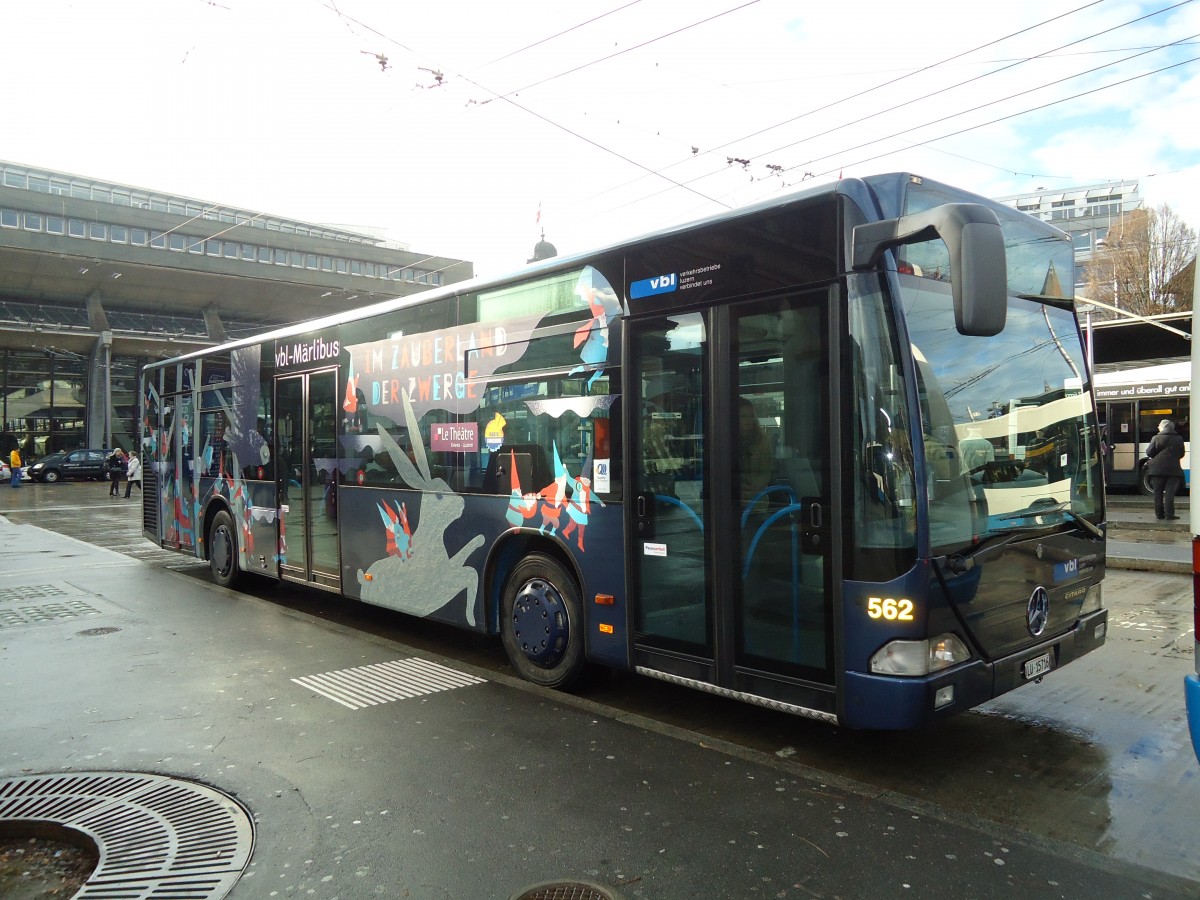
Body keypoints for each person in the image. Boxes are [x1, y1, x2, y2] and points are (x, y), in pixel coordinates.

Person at [1146, 418, 1185, 520]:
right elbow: (1182, 454)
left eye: (1159, 426)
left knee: (1157, 492)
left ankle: (1159, 514)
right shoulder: (1179, 438)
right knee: (1170, 493)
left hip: (1157, 470)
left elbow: (1149, 452)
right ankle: (1170, 514)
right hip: (1173, 470)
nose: (1158, 427)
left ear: (1163, 427)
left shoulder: (1155, 438)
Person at [738, 397, 773, 507]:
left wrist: (751, 488)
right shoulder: (726, 439)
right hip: (733, 493)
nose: (748, 420)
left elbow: (766, 472)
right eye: (743, 416)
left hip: (757, 494)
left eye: (751, 416)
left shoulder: (762, 440)